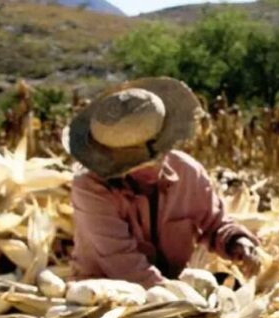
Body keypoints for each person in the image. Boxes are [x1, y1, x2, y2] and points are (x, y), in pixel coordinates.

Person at [63, 78, 262, 288]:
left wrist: (237, 242)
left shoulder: (188, 172)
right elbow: (122, 261)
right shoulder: (91, 188)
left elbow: (215, 224)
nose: (146, 169)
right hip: (104, 293)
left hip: (172, 288)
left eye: (150, 161)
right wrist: (174, 296)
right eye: (132, 166)